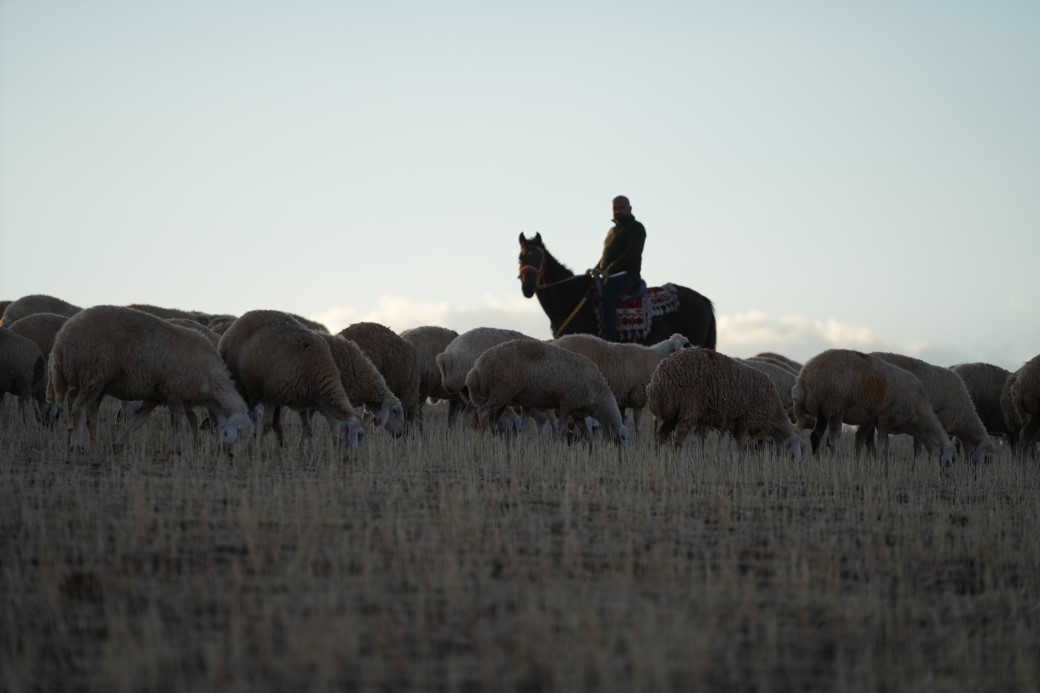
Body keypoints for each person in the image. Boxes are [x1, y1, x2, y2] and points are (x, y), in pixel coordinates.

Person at [595, 195, 646, 341]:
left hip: (628, 275)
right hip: (608, 276)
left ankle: (611, 339)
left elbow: (631, 253)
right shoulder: (612, 231)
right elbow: (606, 257)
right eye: (615, 208)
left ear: (629, 209)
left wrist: (609, 270)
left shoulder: (637, 228)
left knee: (607, 297)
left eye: (621, 208)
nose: (618, 211)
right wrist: (596, 269)